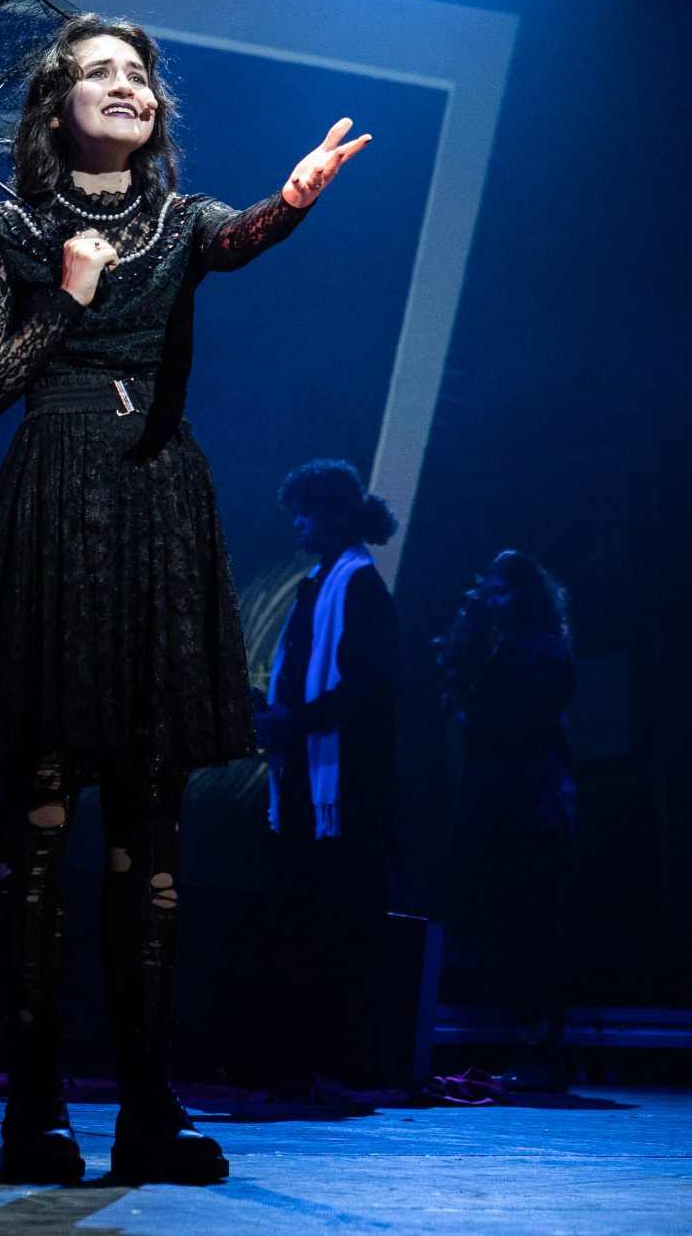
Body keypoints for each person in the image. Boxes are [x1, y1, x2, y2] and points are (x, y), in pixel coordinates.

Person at [0, 13, 368, 1186]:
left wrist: (293, 199)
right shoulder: (11, 229)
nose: (127, 86)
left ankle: (147, 1110)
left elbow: (236, 239)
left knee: (149, 819)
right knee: (38, 816)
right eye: (100, 73)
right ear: (56, 108)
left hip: (157, 508)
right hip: (54, 506)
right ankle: (34, 1110)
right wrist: (65, 301)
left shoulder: (180, 221)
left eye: (138, 73)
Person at [254, 459, 403, 1079]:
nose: (297, 524)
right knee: (301, 913)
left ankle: (336, 1056)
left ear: (336, 516)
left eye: (306, 513)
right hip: (306, 777)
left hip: (344, 786)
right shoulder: (318, 582)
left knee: (335, 916)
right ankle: (301, 1054)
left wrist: (294, 720)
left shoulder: (359, 584)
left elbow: (372, 686)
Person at [438, 549, 577, 1092]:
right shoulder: (511, 648)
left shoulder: (543, 650)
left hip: (533, 807)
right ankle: (529, 1044)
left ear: (527, 593)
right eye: (490, 592)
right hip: (507, 806)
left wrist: (468, 712)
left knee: (536, 927)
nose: (496, 602)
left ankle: (544, 1048)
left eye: (504, 592)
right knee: (516, 929)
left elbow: (518, 724)